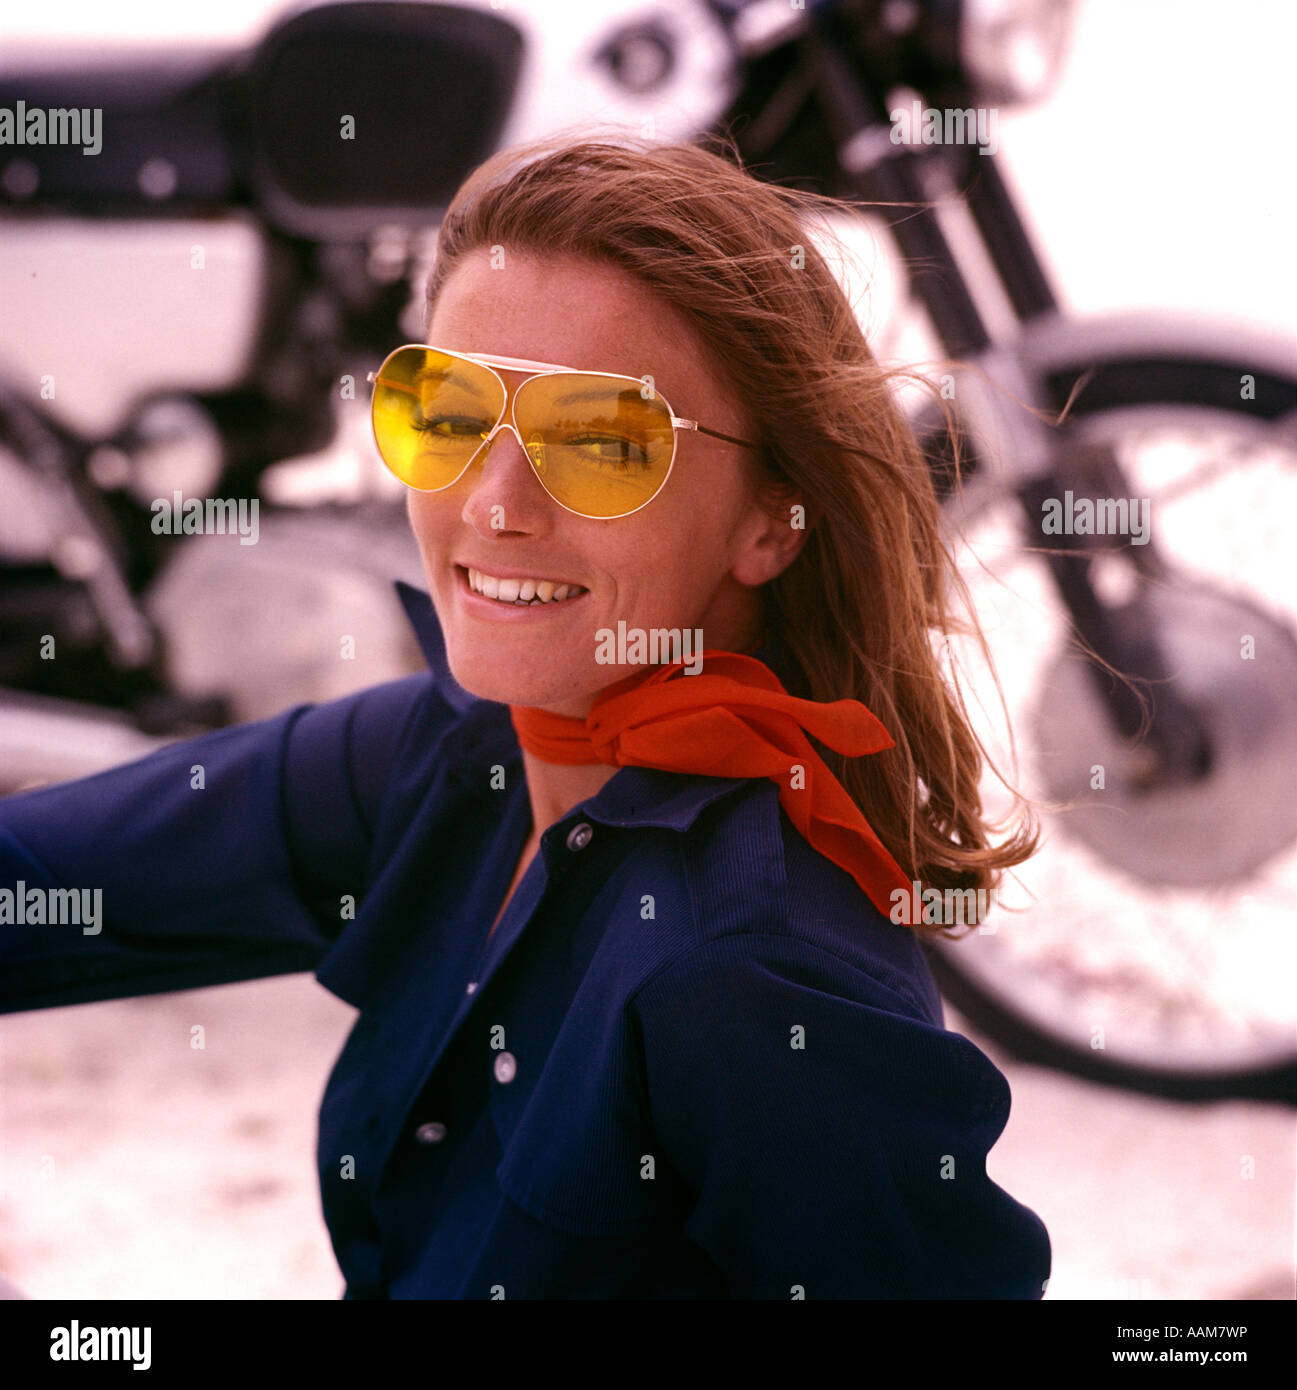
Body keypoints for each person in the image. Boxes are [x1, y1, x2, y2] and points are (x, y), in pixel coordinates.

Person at [0, 133, 1050, 1299]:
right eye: (444, 414)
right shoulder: (450, 756)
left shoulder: (753, 974)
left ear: (772, 517)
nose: (494, 505)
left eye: (602, 440)